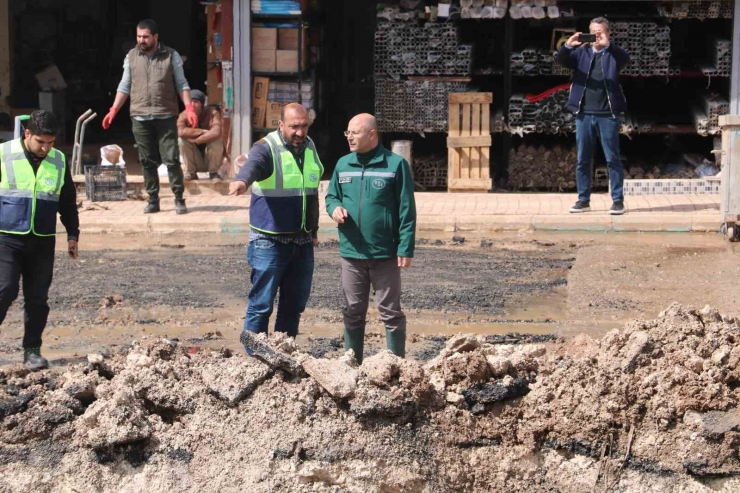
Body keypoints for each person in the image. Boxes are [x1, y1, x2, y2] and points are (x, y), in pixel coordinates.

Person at [325, 113, 416, 365]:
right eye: (347, 133)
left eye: (355, 132)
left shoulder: (395, 165)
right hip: (351, 253)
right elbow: (332, 196)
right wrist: (334, 208)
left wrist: (405, 247)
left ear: (372, 134)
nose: (350, 137)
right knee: (352, 312)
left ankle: (396, 366)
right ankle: (351, 365)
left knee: (390, 312)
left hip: (385, 254)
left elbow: (407, 209)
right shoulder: (343, 165)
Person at [229, 103, 323, 339]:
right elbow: (253, 166)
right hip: (269, 241)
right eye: (294, 127)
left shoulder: (310, 147)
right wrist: (242, 182)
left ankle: (284, 354)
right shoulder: (265, 147)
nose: (300, 132)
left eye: (304, 126)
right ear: (281, 125)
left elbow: (310, 193)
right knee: (261, 304)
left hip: (302, 242)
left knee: (293, 306)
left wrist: (314, 230)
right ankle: (256, 358)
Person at [0, 110, 79, 370]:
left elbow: (67, 200)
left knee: (37, 298)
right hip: (7, 237)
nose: (46, 148)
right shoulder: (4, 153)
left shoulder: (59, 160)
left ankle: (32, 351)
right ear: (27, 134)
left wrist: (72, 233)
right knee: (5, 289)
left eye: (51, 142)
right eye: (40, 142)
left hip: (42, 240)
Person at [102, 18, 197, 215]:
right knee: (147, 161)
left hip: (166, 115)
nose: (141, 40)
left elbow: (182, 84)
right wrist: (113, 109)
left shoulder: (171, 55)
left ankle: (179, 198)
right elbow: (125, 85)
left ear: (155, 37)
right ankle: (153, 199)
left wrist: (189, 108)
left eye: (145, 37)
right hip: (139, 116)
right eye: (138, 36)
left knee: (171, 159)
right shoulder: (131, 56)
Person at [557, 17, 630, 215]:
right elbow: (560, 60)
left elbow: (625, 59)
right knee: (583, 159)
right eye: (593, 32)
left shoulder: (613, 55)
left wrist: (609, 46)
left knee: (612, 158)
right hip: (584, 114)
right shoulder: (581, 53)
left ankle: (617, 201)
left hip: (607, 115)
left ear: (607, 33)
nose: (596, 36)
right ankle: (583, 200)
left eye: (600, 32)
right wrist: (568, 46)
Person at [177, 89, 224, 181]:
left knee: (217, 141)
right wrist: (201, 131)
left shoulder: (212, 113)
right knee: (181, 141)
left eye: (196, 102)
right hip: (195, 159)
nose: (193, 105)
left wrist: (197, 140)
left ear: (202, 103)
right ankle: (191, 172)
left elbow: (216, 132)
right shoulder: (184, 115)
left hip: (209, 159)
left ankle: (213, 173)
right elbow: (180, 132)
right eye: (190, 102)